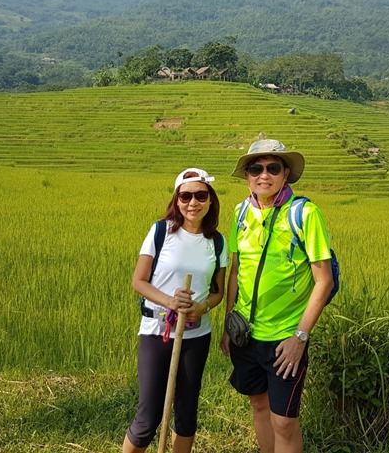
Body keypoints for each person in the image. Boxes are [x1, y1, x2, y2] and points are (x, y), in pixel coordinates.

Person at [221, 140, 334, 453]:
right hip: (246, 335)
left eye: (273, 168)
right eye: (256, 168)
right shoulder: (240, 213)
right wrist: (228, 325)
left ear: (286, 174)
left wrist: (300, 337)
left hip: (285, 338)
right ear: (246, 175)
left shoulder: (305, 214)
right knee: (258, 404)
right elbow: (235, 272)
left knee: (284, 421)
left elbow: (323, 281)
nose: (264, 175)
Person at [123, 168, 228, 453]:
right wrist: (171, 302)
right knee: (148, 419)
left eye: (200, 195)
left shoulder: (216, 242)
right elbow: (139, 281)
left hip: (197, 334)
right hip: (158, 332)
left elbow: (218, 292)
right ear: (177, 199)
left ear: (210, 200)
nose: (193, 202)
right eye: (186, 196)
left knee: (186, 414)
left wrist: (201, 306)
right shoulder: (160, 232)